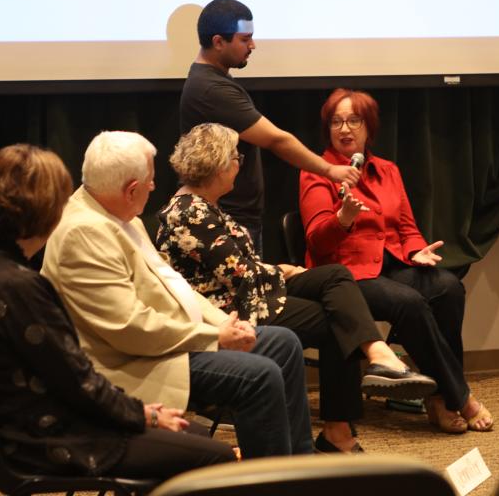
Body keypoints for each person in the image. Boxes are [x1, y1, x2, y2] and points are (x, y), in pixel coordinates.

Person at [0, 144, 235, 480]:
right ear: (47, 210)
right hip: (54, 441)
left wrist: (141, 412)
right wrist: (146, 416)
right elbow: (78, 384)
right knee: (219, 458)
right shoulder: (19, 287)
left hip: (25, 432)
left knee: (193, 437)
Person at [156, 123, 438, 453]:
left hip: (250, 291)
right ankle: (339, 430)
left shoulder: (204, 206)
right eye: (236, 157)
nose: (239, 164)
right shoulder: (189, 212)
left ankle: (377, 361)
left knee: (335, 277)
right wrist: (283, 272)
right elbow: (241, 275)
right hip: (233, 309)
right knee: (338, 321)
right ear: (218, 165)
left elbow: (240, 268)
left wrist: (278, 272)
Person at [41, 131, 313, 458]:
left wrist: (226, 325)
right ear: (130, 190)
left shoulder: (117, 213)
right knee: (259, 375)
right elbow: (129, 328)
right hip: (132, 361)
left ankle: (299, 469)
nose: (154, 187)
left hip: (170, 339)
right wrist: (213, 337)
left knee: (283, 343)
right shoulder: (82, 233)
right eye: (150, 181)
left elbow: (173, 284)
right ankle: (267, 485)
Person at [298, 89, 493, 434]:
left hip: (392, 263)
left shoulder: (387, 170)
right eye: (336, 122)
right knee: (410, 303)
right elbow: (316, 240)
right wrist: (342, 218)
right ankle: (456, 397)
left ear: (368, 128)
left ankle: (435, 398)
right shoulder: (317, 172)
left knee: (449, 288)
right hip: (346, 275)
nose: (345, 129)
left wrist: (417, 250)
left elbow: (406, 227)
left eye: (354, 121)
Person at [179, 0, 360, 250]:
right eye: (244, 39)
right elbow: (276, 139)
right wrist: (330, 171)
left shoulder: (211, 81)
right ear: (218, 42)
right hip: (229, 217)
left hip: (234, 215)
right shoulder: (212, 89)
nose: (252, 45)